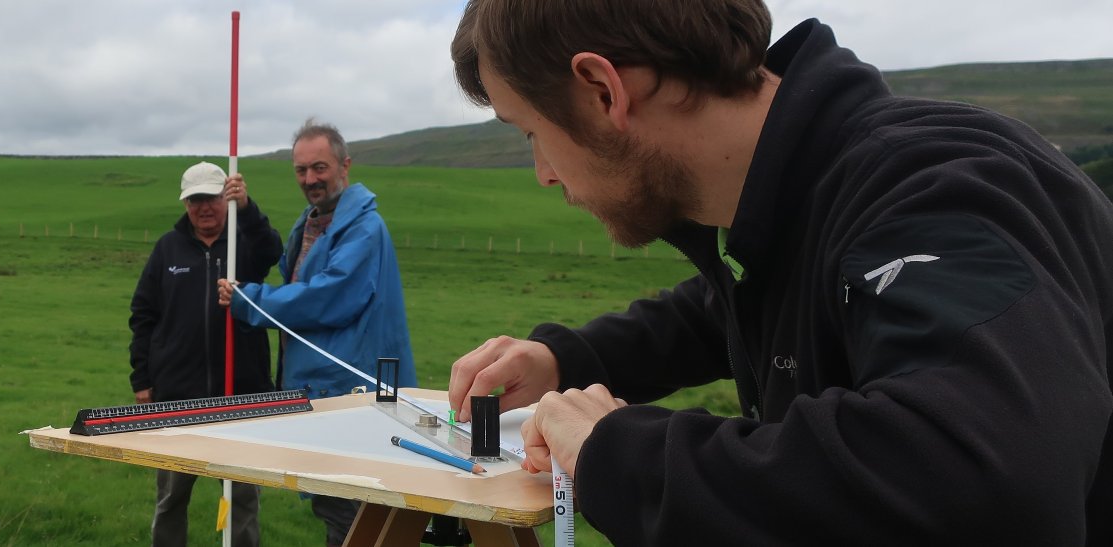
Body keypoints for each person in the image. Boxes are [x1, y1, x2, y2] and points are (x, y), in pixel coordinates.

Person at [445, 0, 1113, 544]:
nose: (543, 174)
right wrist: (568, 356)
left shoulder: (928, 187)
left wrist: (615, 454)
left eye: (529, 132)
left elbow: (986, 484)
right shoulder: (804, 196)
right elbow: (725, 308)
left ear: (600, 89)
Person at [218, 119, 418, 546]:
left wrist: (248, 301)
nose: (310, 179)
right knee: (337, 507)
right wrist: (249, 209)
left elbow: (329, 296)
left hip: (351, 390)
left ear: (345, 166)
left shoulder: (363, 228)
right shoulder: (312, 221)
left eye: (320, 168)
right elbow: (295, 276)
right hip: (326, 387)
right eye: (301, 170)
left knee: (353, 513)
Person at [129, 161, 283, 546]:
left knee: (243, 497)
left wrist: (247, 209)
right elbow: (143, 315)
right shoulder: (168, 248)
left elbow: (273, 250)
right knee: (170, 498)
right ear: (185, 204)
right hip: (178, 397)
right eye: (195, 200)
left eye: (211, 197)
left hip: (241, 395)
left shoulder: (244, 242)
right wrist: (142, 379)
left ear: (224, 197)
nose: (204, 207)